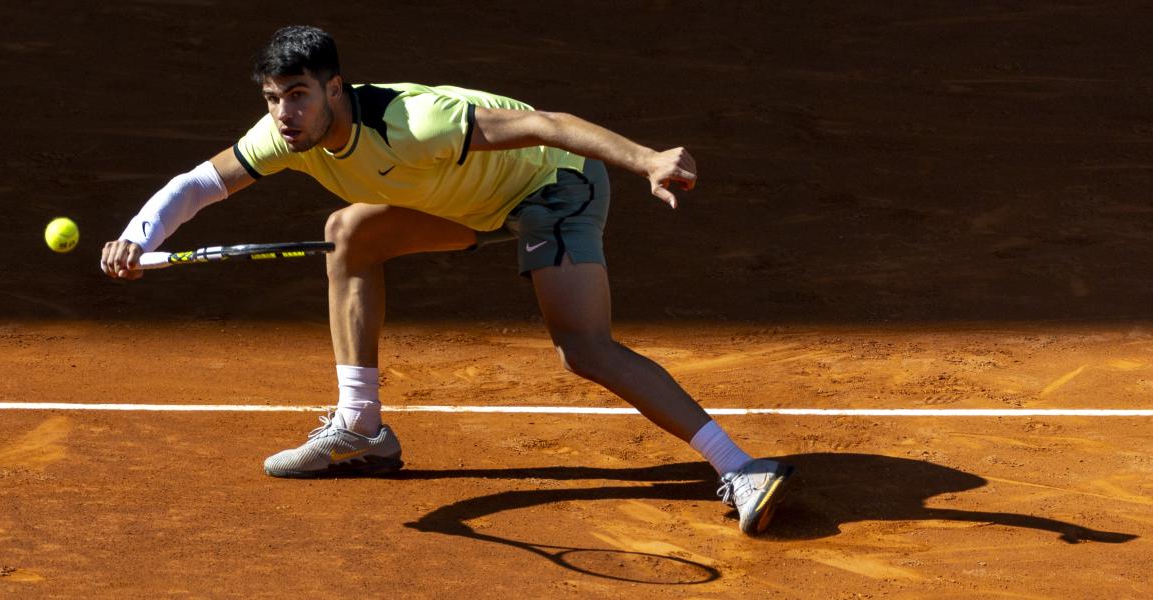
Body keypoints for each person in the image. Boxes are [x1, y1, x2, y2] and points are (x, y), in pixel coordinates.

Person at [99, 25, 793, 535]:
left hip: (550, 186)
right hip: (461, 205)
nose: (285, 114)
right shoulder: (280, 138)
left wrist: (644, 160)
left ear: (335, 89)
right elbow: (197, 186)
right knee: (350, 235)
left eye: (300, 95)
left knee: (583, 348)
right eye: (275, 98)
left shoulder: (416, 122)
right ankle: (362, 428)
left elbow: (549, 124)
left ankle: (739, 464)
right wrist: (136, 236)